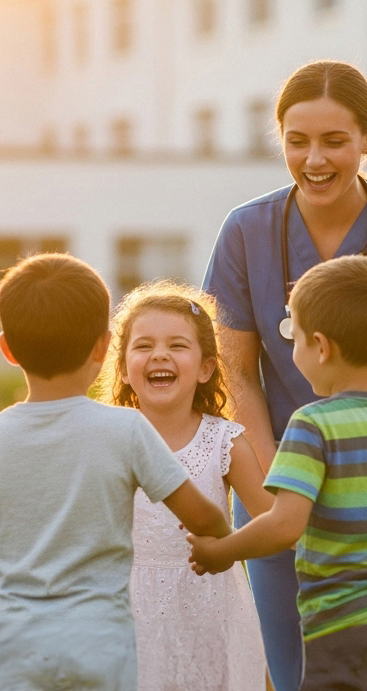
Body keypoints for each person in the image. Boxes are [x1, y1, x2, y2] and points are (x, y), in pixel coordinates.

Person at [0, 253, 232, 691]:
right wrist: (217, 543)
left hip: (16, 646)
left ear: (8, 350)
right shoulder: (127, 430)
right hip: (100, 643)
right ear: (104, 347)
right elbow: (203, 517)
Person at [204, 60, 367, 690]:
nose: (314, 160)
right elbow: (237, 373)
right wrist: (275, 496)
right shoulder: (246, 231)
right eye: (298, 141)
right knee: (296, 676)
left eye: (335, 141)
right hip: (276, 483)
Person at [188, 255, 367, 691]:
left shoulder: (313, 425)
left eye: (295, 338)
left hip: (345, 623)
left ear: (321, 346)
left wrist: (223, 551)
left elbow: (285, 525)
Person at [96, 281, 270, 691]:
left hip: (212, 612)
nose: (160, 354)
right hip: (128, 613)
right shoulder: (105, 440)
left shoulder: (225, 442)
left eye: (177, 345)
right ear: (123, 368)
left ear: (206, 368)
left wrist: (229, 549)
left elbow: (274, 521)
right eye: (144, 346)